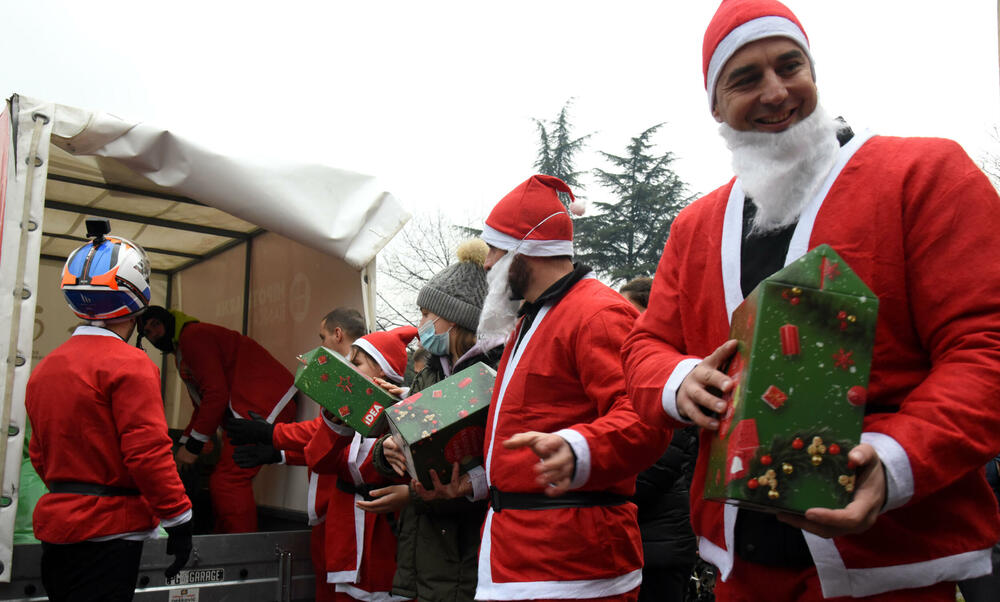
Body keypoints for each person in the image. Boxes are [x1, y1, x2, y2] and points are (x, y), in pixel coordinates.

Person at [622, 1, 1000, 600]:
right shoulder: (695, 227)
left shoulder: (923, 174)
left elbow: (986, 347)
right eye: (745, 78)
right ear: (715, 106)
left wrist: (897, 459)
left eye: (790, 66)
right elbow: (645, 344)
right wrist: (678, 379)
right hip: (741, 572)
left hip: (889, 563)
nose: (776, 92)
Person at [430, 175, 669, 600]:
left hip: (570, 564)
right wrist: (474, 483)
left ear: (527, 251)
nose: (486, 263)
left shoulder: (597, 313)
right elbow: (525, 430)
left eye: (496, 248)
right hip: (518, 556)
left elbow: (645, 418)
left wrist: (579, 447)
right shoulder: (530, 320)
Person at [27, 225, 192, 601]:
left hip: (57, 529)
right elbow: (147, 452)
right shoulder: (131, 365)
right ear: (137, 297)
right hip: (109, 533)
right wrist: (179, 518)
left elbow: (40, 453)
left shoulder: (45, 368)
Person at [370, 238, 503, 602]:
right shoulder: (426, 371)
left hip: (463, 554)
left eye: (429, 316)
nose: (421, 325)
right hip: (419, 551)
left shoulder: (490, 376)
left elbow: (486, 465)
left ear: (458, 321)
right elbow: (398, 434)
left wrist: (412, 494)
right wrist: (388, 450)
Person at [227, 306, 367, 602]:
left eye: (322, 336)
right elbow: (325, 446)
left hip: (338, 508)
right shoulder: (341, 377)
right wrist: (277, 455)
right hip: (325, 510)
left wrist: (272, 435)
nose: (320, 344)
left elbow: (322, 433)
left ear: (338, 334)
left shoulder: (352, 381)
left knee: (335, 593)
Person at [137, 305, 298, 533]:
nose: (154, 333)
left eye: (156, 324)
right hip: (257, 405)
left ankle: (240, 554)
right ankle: (226, 545)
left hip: (263, 404)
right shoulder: (183, 348)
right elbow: (202, 406)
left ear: (167, 320)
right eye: (147, 332)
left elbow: (215, 395)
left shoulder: (193, 337)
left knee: (228, 482)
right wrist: (184, 444)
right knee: (222, 481)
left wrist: (192, 447)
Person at [303, 326, 417, 602]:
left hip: (386, 543)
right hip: (345, 543)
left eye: (355, 362)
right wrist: (334, 424)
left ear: (382, 370)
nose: (347, 368)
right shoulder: (348, 412)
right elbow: (318, 461)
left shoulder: (409, 411)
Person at [619, 278, 699, 602]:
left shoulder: (677, 382)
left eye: (630, 313)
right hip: (646, 543)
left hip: (660, 548)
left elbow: (656, 466)